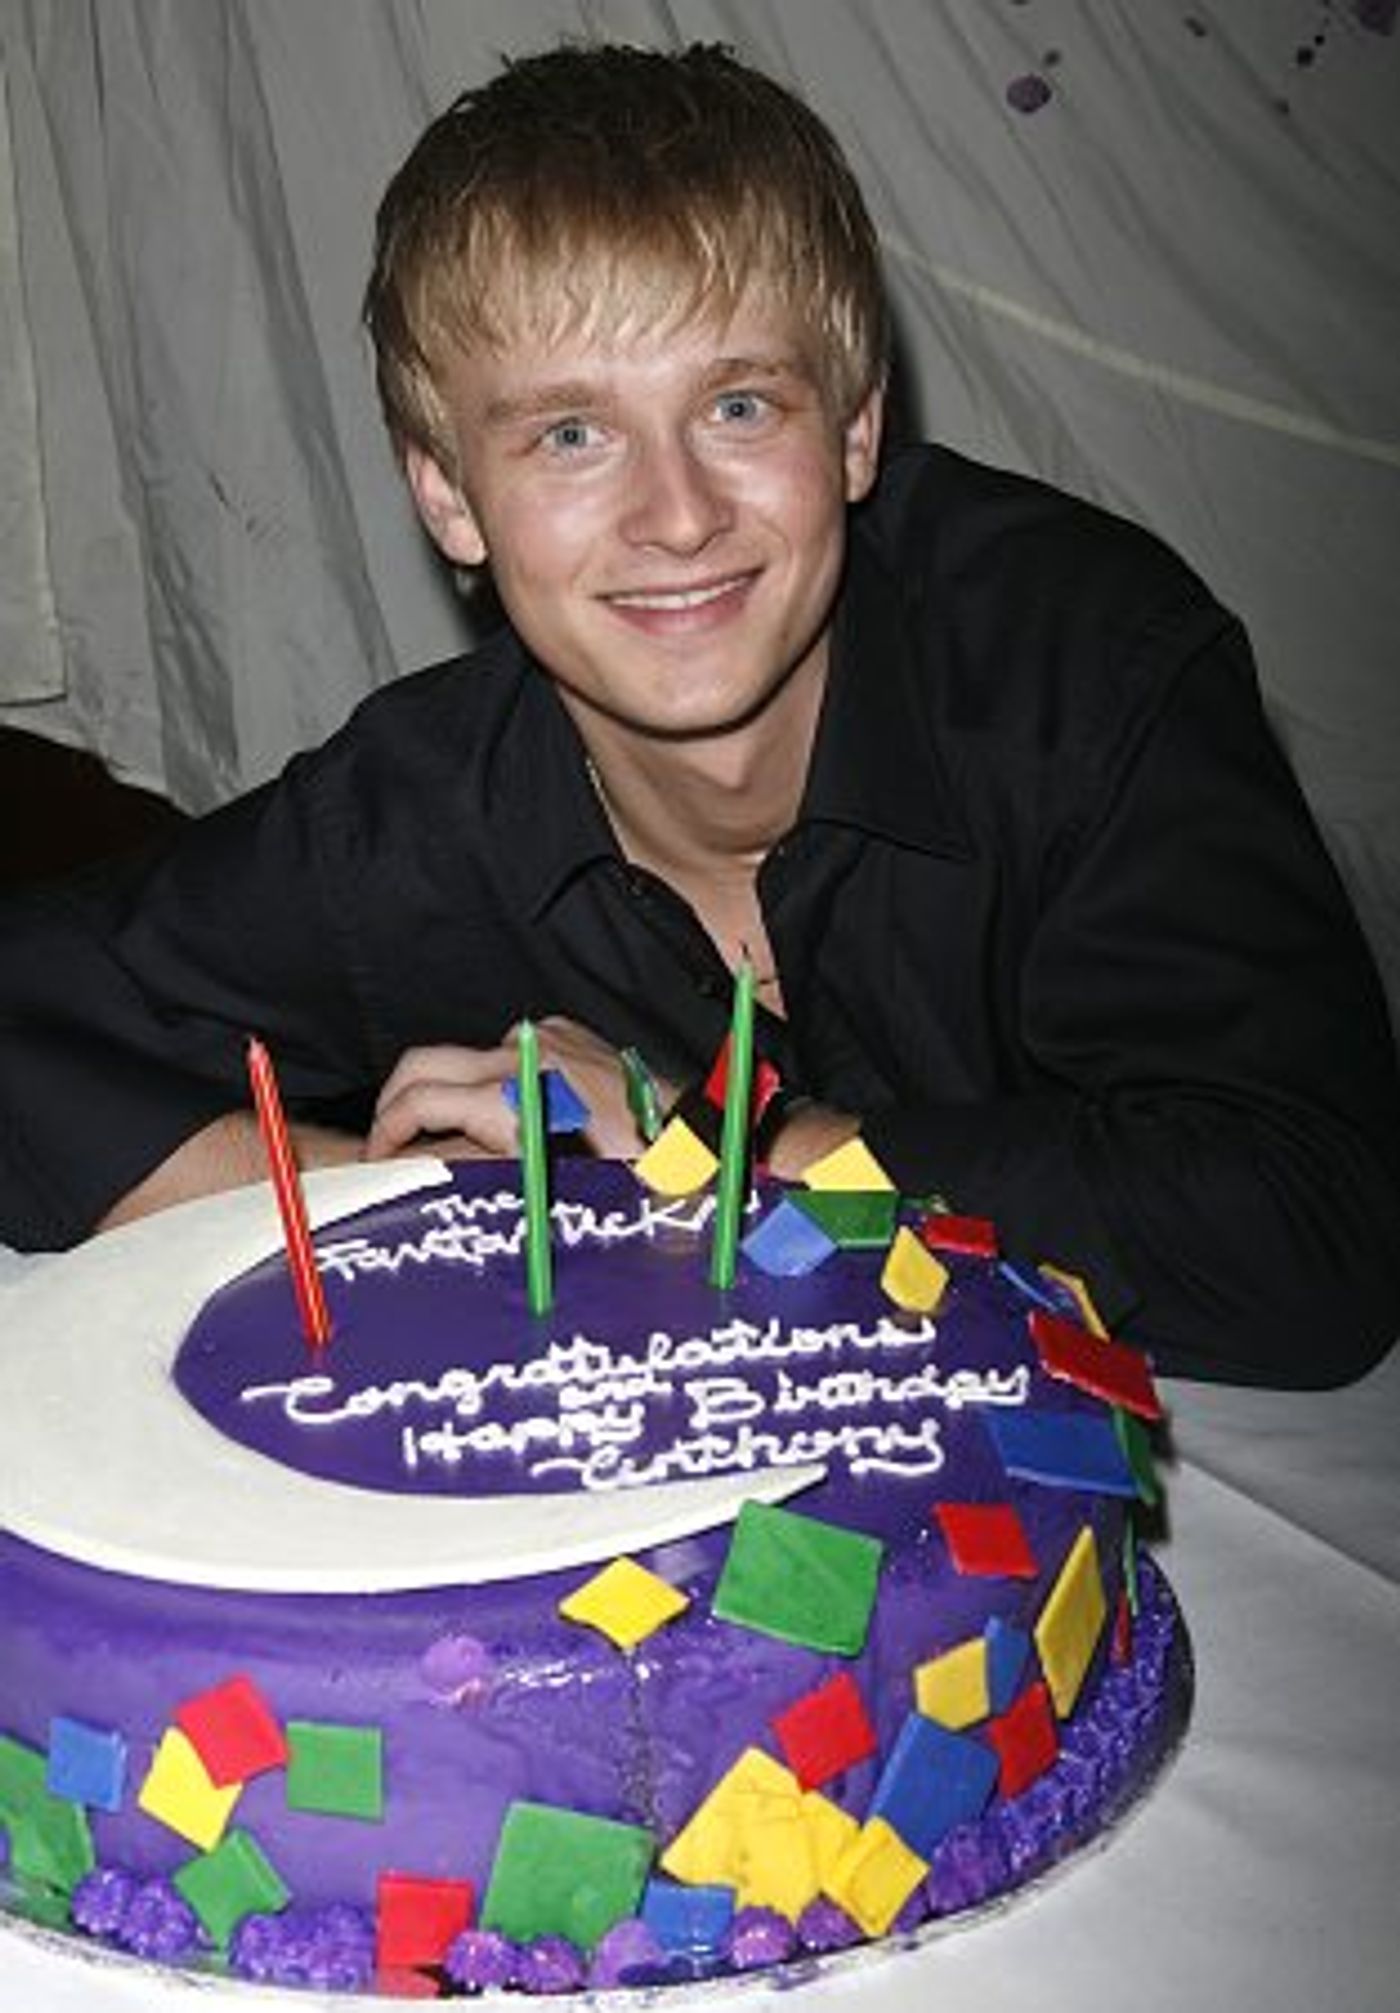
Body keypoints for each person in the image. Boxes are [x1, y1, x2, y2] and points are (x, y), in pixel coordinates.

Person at [1, 41, 1397, 1387]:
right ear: (448, 496)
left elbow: (1317, 1232)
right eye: (571, 434)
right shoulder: (415, 812)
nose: (676, 516)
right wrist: (403, 1200)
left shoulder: (1081, 666)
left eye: (738, 406)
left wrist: (710, 1157)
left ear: (855, 430)